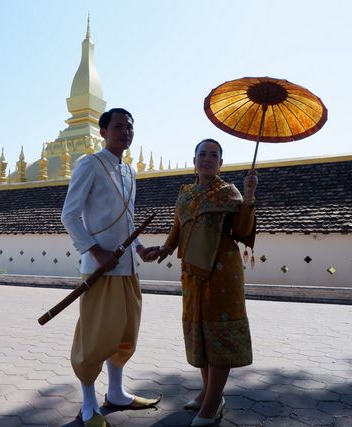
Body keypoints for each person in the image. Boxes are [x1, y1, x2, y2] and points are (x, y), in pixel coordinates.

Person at [61, 108, 162, 427]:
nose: (126, 132)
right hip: (99, 270)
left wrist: (140, 247)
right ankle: (89, 404)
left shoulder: (130, 172)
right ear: (103, 131)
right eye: (118, 126)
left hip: (128, 269)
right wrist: (95, 250)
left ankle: (116, 393)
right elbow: (69, 215)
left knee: (124, 333)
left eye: (130, 127)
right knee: (95, 336)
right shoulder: (89, 164)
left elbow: (127, 222)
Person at [156, 138, 258, 426]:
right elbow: (178, 227)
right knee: (199, 329)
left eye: (214, 155)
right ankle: (207, 392)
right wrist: (164, 249)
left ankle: (213, 403)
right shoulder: (186, 193)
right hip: (192, 272)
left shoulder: (229, 192)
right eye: (202, 154)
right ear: (194, 161)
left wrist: (249, 196)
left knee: (219, 333)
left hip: (222, 271)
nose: (208, 159)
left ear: (221, 164)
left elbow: (242, 230)